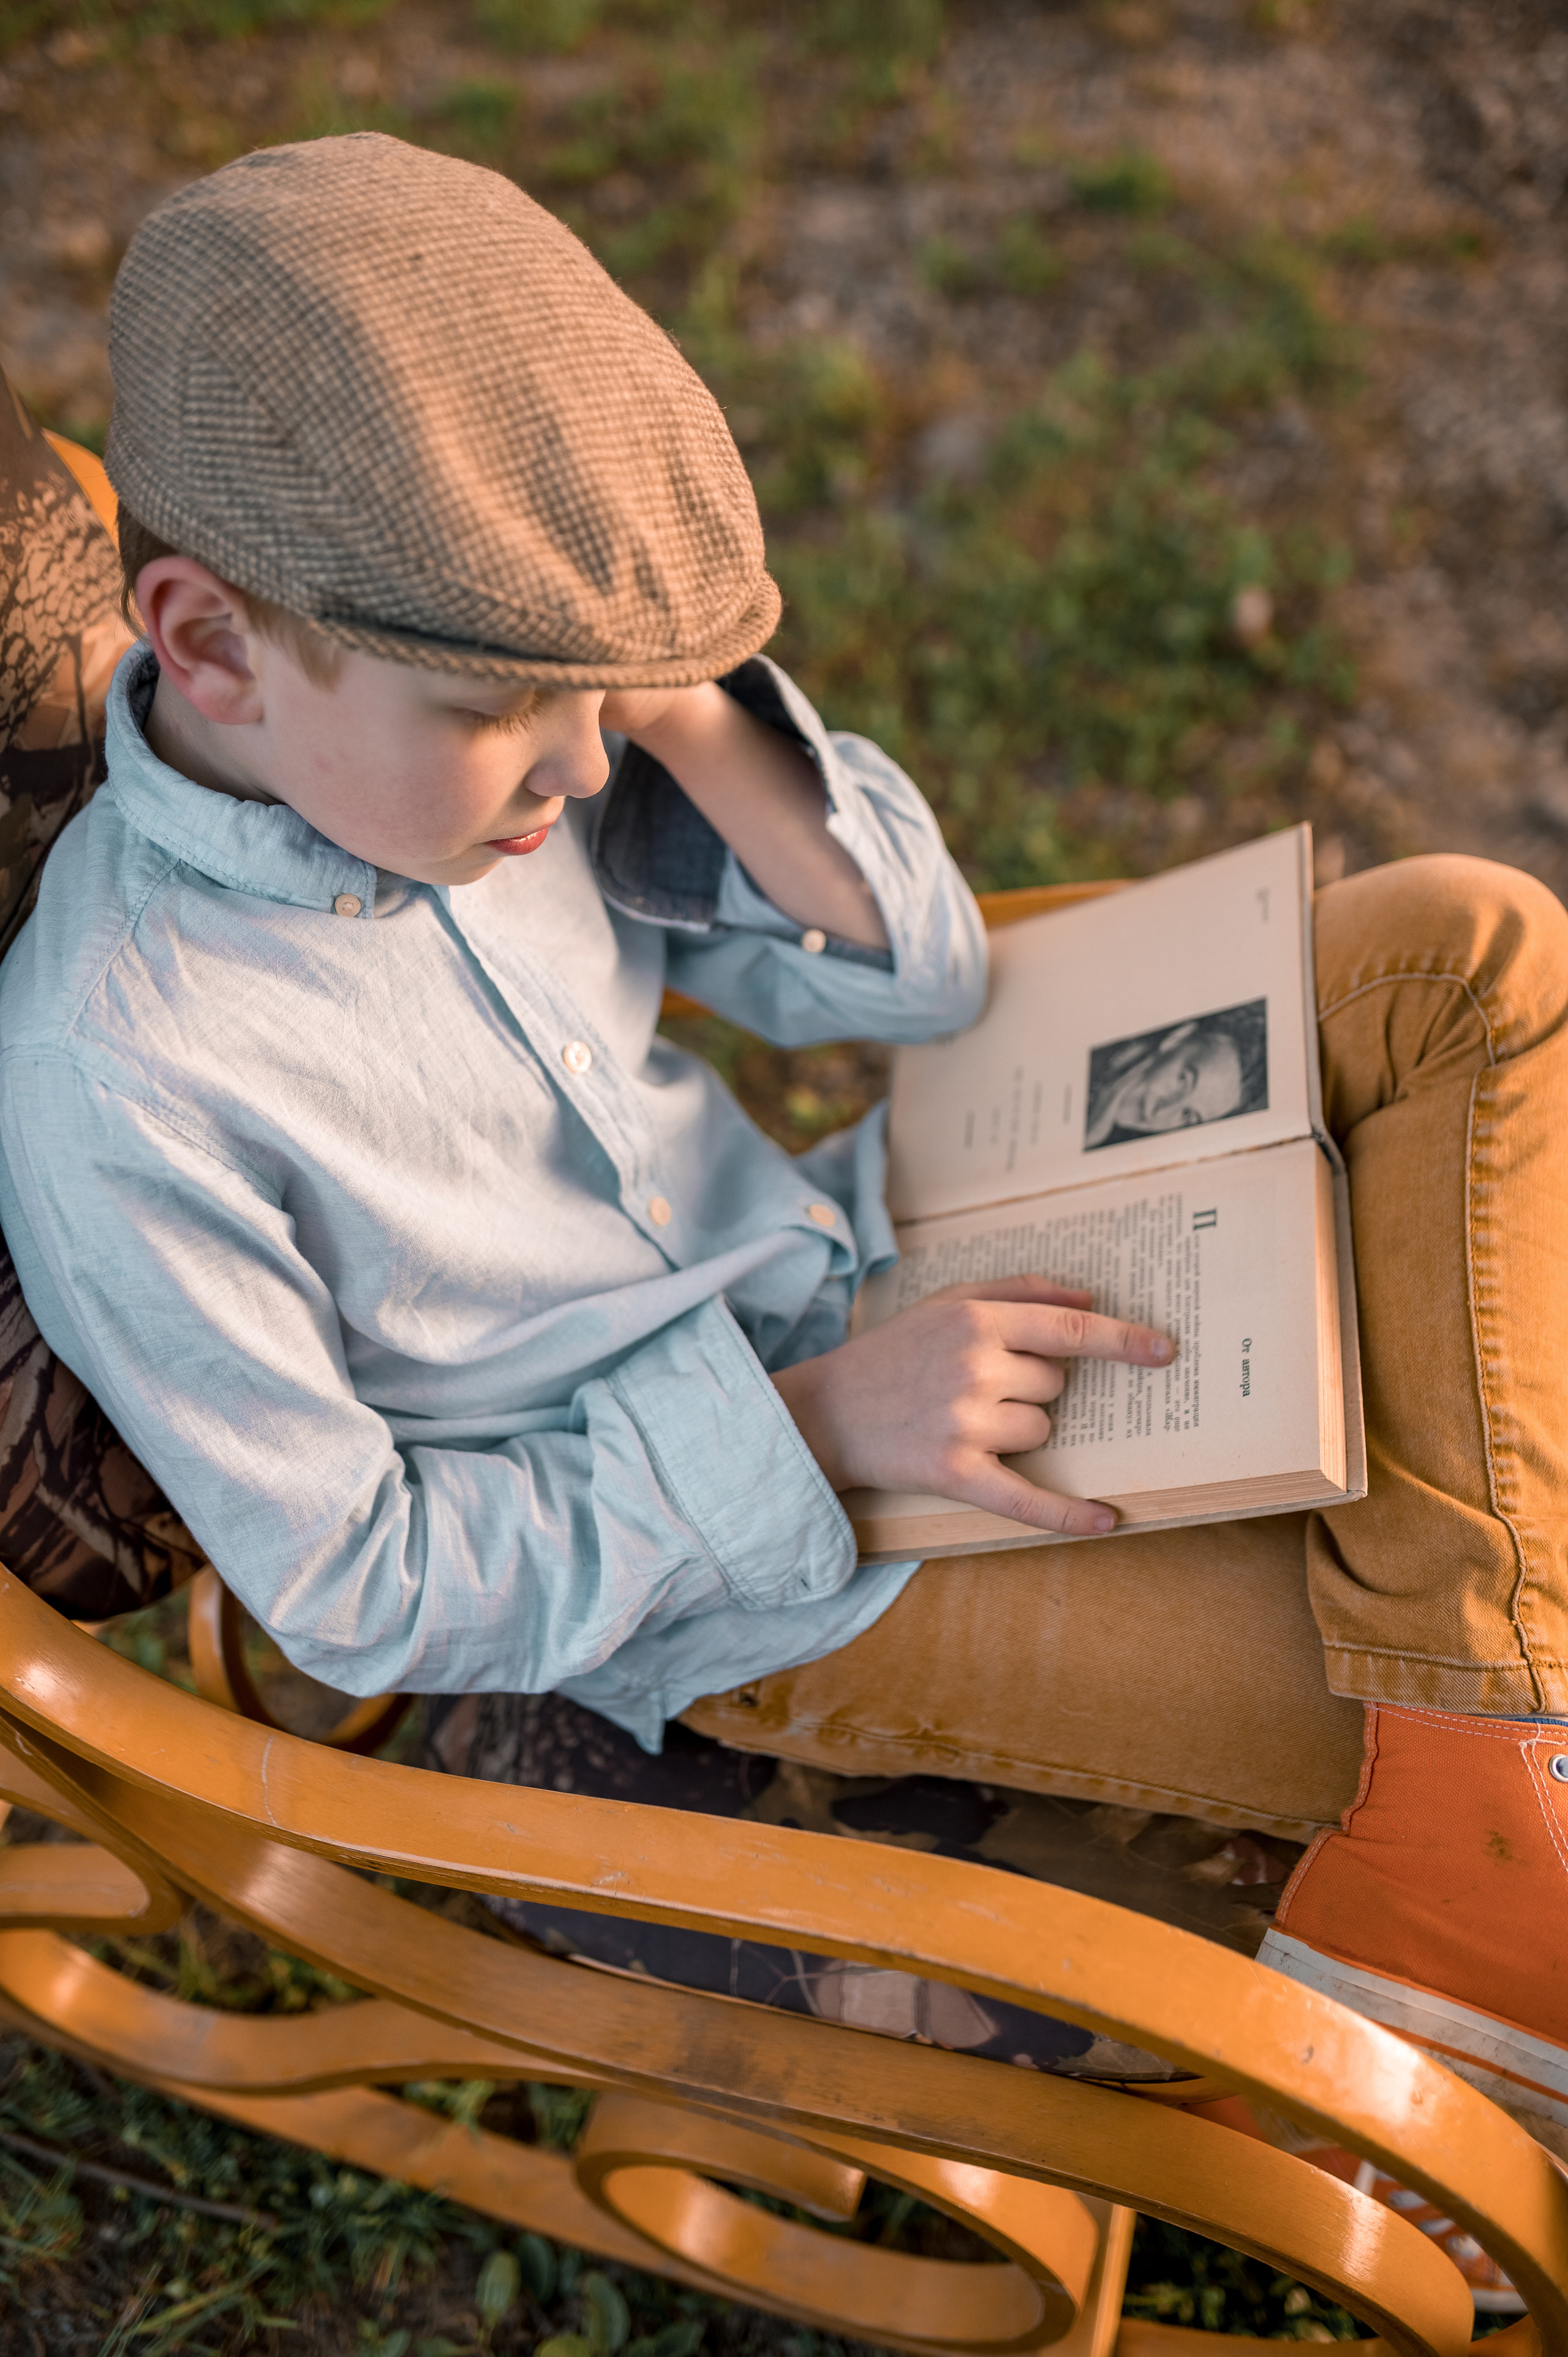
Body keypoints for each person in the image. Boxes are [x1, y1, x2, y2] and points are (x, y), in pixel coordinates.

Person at [1, 134, 1566, 2230]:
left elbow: (914, 971)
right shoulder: (126, 1073)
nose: (575, 777)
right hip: (752, 1560)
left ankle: (1461, 1806)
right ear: (205, 643)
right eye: (504, 718)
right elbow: (363, 1582)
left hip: (874, 1217)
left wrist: (691, 713)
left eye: (594, 712)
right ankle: (1473, 1815)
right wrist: (814, 1426)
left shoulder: (462, 758)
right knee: (1424, 1586)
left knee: (1469, 950)